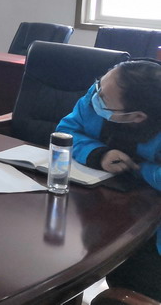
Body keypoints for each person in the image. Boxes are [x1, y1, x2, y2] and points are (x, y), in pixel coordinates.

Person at [56, 59, 161, 300]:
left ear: (136, 116)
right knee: (73, 269)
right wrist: (99, 154)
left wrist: (138, 167)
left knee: (133, 290)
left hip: (151, 230)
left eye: (102, 97)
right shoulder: (103, 92)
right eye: (98, 85)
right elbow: (67, 129)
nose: (95, 97)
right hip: (100, 210)